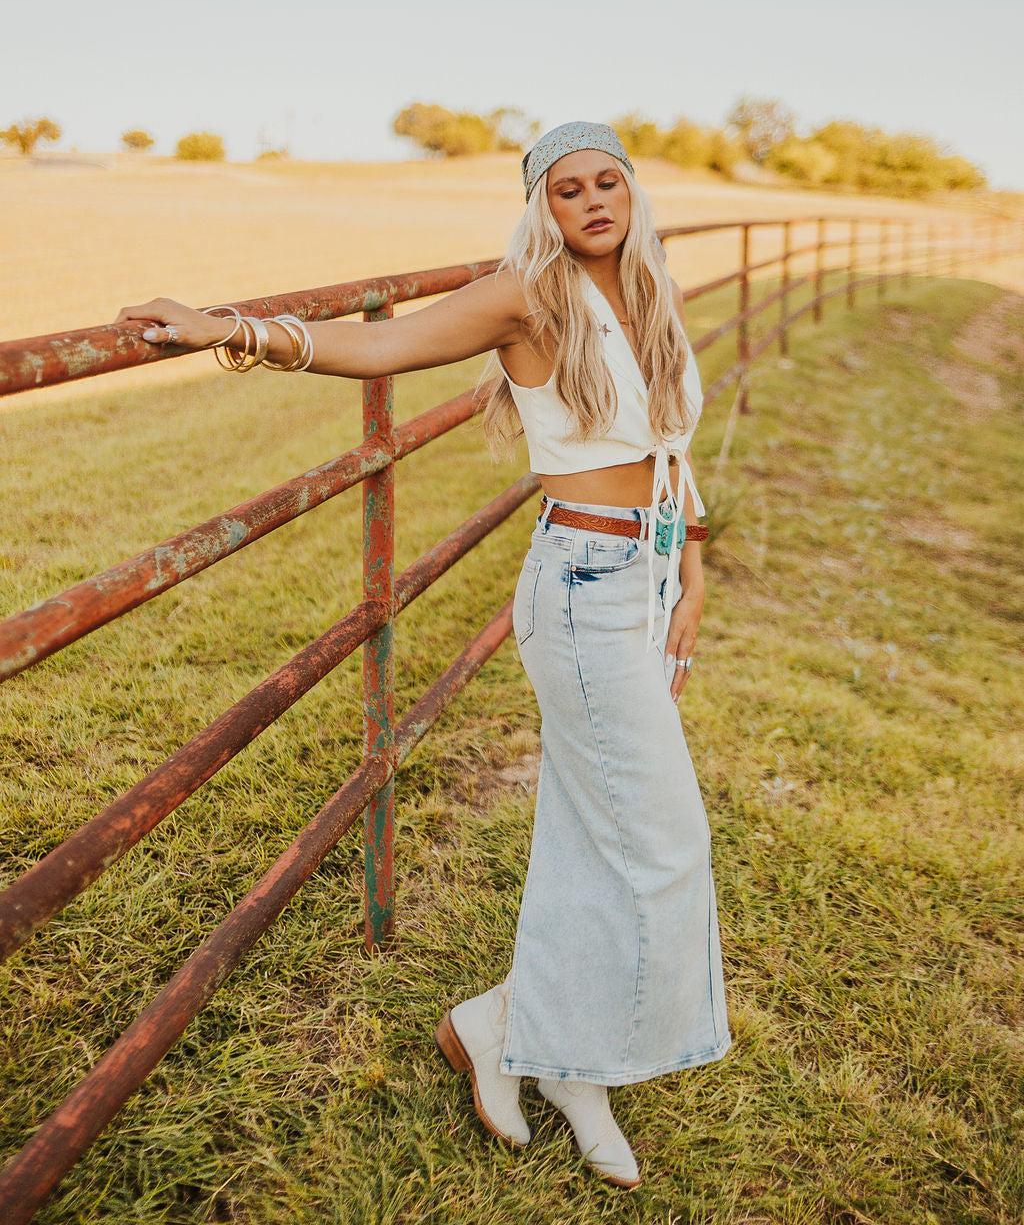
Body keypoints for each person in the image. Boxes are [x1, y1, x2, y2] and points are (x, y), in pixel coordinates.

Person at [113, 119, 732, 1190]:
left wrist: (694, 564)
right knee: (663, 841)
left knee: (597, 835)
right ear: (541, 208)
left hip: (646, 578)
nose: (593, 201)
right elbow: (382, 347)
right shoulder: (526, 297)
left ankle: (555, 1057)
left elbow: (665, 447)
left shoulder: (652, 290)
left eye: (608, 182)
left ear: (634, 194)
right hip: (583, 587)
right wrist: (229, 328)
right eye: (568, 188)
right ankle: (513, 1028)